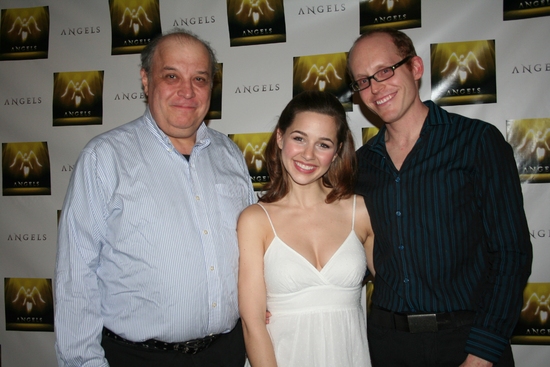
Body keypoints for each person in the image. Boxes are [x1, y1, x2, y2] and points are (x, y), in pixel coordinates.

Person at [54, 29, 255, 367]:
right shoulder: (104, 159)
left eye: (200, 79)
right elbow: (77, 279)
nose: (187, 91)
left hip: (228, 353)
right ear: (146, 80)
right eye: (171, 76)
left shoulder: (230, 154)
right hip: (139, 358)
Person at [347, 28, 533, 367]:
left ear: (416, 67)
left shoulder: (476, 142)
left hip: (467, 341)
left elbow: (511, 253)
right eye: (362, 81)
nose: (375, 88)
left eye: (385, 71)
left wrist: (483, 351)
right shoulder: (361, 165)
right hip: (387, 345)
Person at [237, 90, 375, 367]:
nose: (308, 155)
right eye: (299, 138)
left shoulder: (360, 212)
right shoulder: (255, 220)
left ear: (336, 152)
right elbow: (253, 325)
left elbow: (399, 287)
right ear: (280, 137)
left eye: (323, 144)